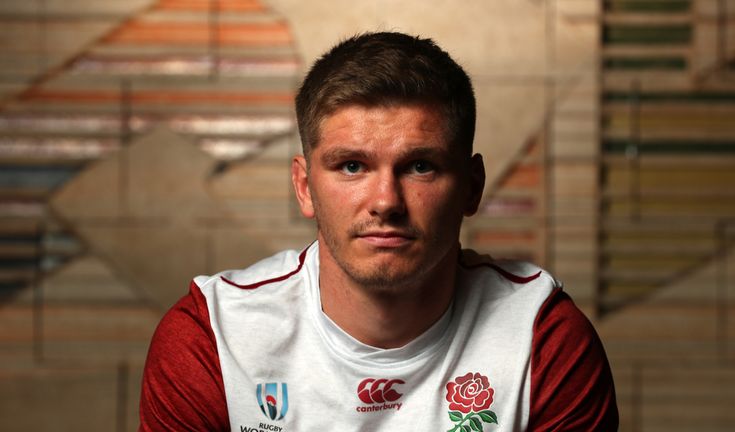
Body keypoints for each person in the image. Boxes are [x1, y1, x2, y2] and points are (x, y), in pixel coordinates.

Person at [139, 31, 618, 431]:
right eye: (351, 166)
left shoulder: (542, 338)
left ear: (472, 188)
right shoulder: (213, 337)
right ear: (304, 187)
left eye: (420, 166)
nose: (386, 202)